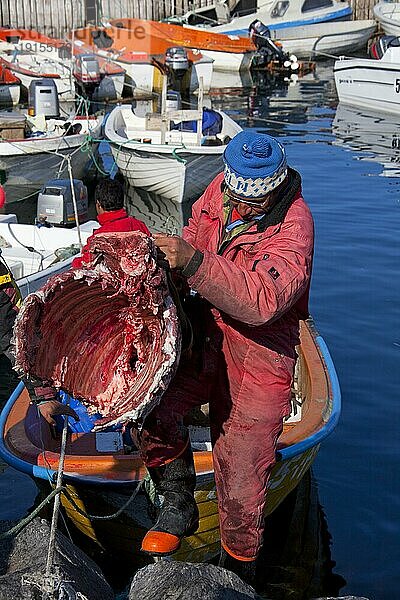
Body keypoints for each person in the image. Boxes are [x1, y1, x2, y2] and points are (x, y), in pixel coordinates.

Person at [136, 130, 314, 585]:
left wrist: (193, 262)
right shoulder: (222, 188)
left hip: (261, 351)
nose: (242, 207)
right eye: (236, 196)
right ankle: (178, 504)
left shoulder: (294, 227)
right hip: (206, 331)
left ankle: (238, 571)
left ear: (274, 188)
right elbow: (197, 229)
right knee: (149, 406)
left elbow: (263, 300)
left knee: (241, 471)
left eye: (254, 202)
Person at [36, 177, 150, 424]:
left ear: (98, 205)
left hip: (111, 319)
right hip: (141, 313)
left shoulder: (98, 241)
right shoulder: (139, 228)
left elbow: (83, 272)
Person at [71, 178, 150, 269]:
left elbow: (84, 263)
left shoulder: (99, 237)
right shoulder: (139, 225)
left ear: (98, 205)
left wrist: (75, 261)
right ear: (122, 201)